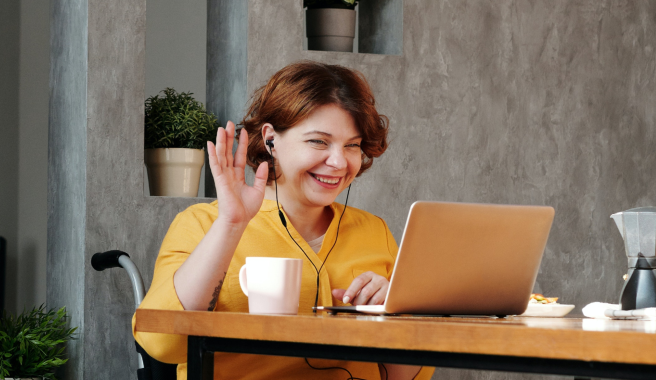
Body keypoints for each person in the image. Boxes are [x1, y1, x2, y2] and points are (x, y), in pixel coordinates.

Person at [133, 61, 433, 380]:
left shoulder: (374, 231)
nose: (338, 161)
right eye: (318, 141)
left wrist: (396, 321)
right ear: (271, 140)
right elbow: (160, 343)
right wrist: (230, 225)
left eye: (352, 146)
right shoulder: (203, 224)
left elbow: (405, 376)